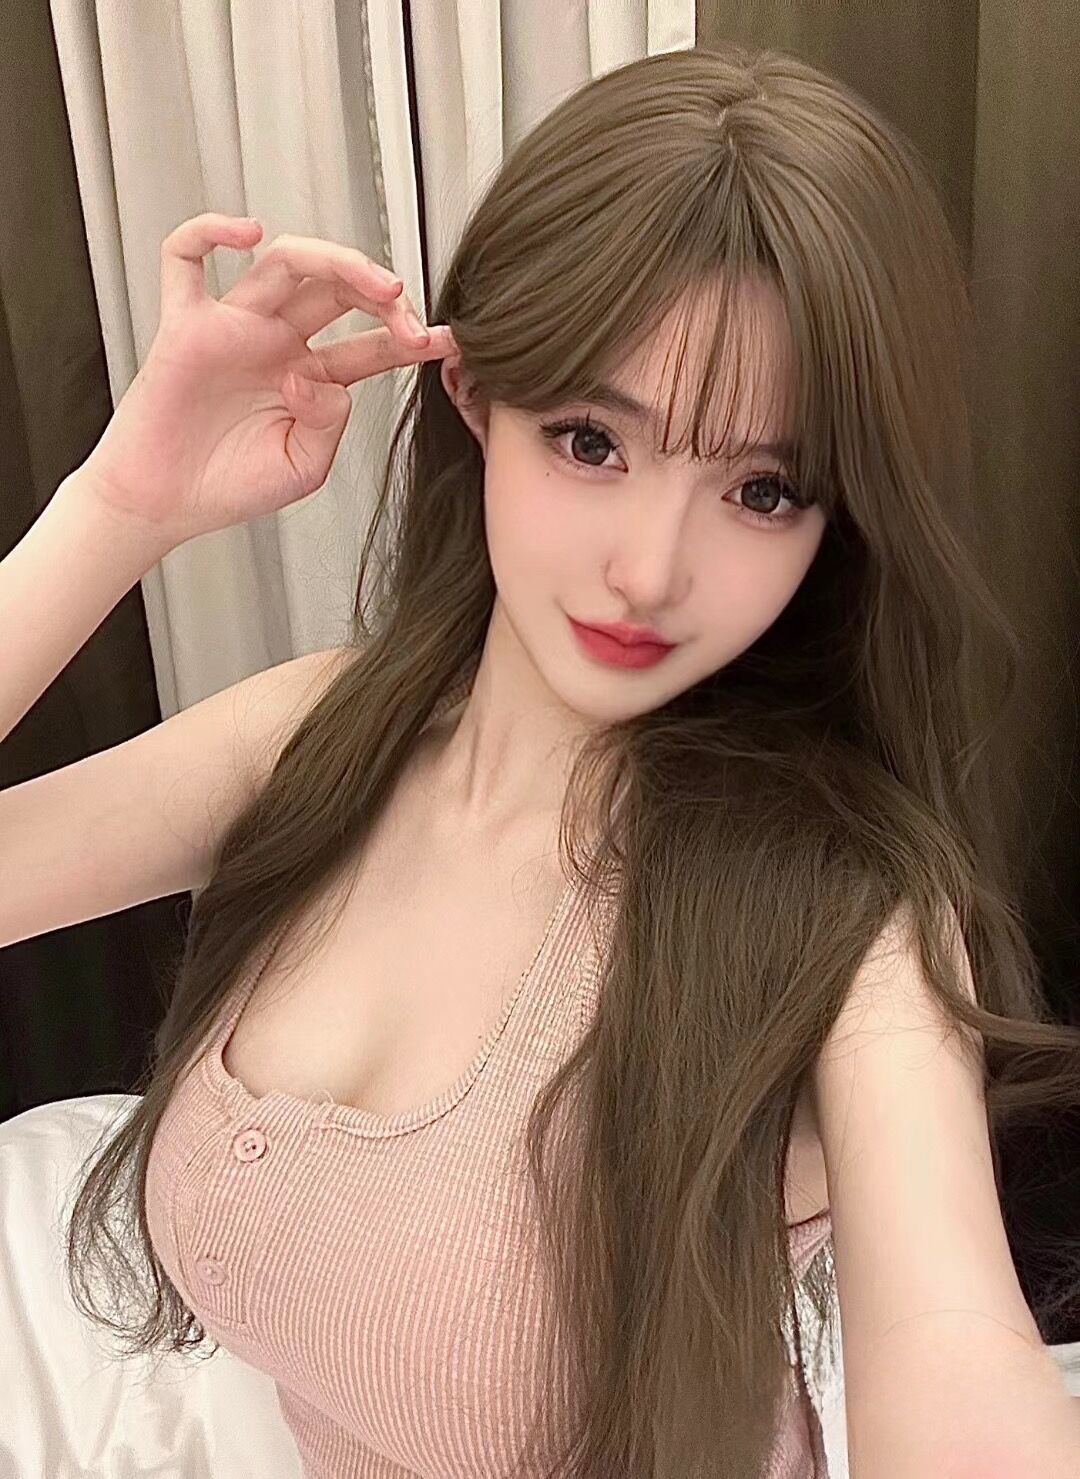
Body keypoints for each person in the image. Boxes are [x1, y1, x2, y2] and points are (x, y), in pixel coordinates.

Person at [3, 40, 1079, 1479]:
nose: (650, 569)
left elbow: (957, 1368)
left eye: (763, 489)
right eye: (590, 441)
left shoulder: (848, 924)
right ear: (471, 398)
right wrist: (121, 504)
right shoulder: (322, 737)